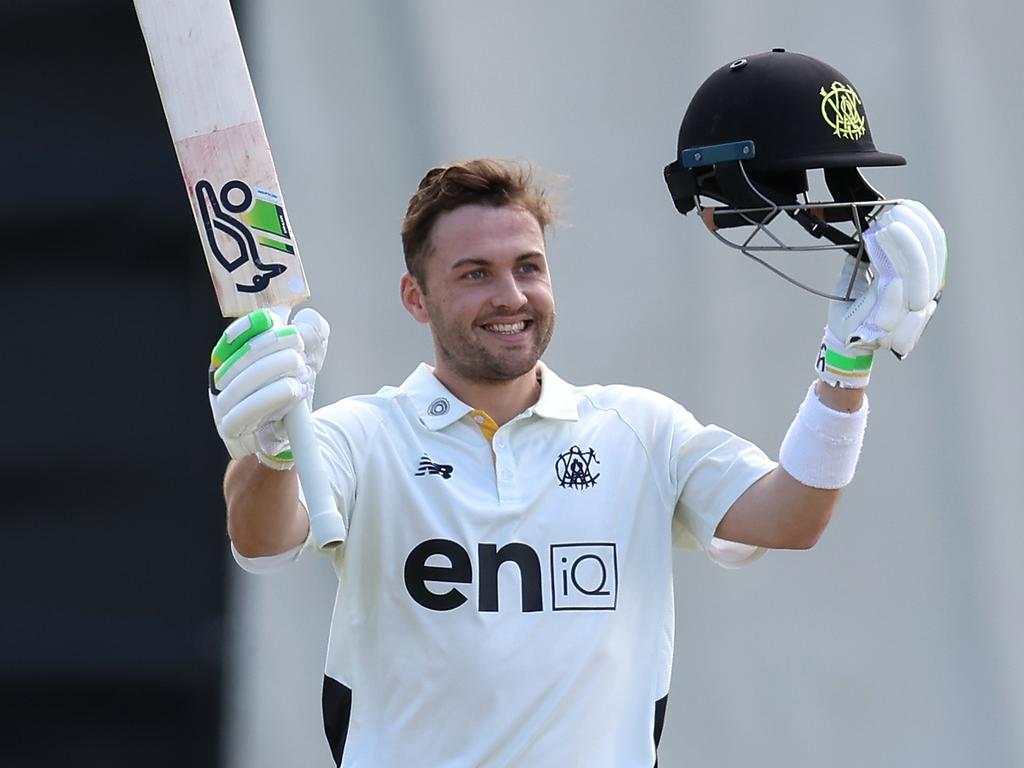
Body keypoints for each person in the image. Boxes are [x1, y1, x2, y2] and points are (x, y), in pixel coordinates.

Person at [209, 55, 945, 768]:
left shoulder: (638, 430)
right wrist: (271, 447)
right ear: (416, 298)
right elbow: (262, 538)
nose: (511, 296)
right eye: (475, 274)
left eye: (528, 267)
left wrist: (847, 366)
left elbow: (793, 518)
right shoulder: (362, 435)